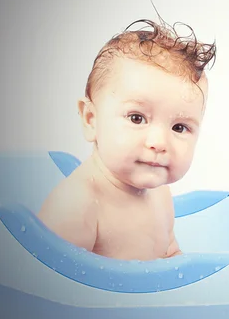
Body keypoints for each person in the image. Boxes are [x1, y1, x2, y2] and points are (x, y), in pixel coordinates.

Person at [38, 17, 216, 261]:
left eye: (179, 127)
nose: (159, 142)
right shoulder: (78, 206)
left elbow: (170, 255)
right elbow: (48, 286)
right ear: (91, 119)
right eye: (136, 118)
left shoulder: (160, 194)